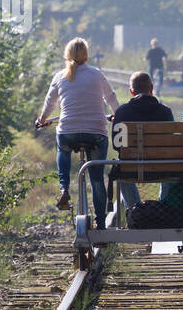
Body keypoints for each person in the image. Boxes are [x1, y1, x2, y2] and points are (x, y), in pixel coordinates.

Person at [36, 38, 118, 225]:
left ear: (67, 55)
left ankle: (64, 188)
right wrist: (117, 115)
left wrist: (42, 120)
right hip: (96, 132)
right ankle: (101, 224)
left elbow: (50, 103)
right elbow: (110, 97)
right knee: (97, 179)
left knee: (62, 147)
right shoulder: (97, 75)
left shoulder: (59, 76)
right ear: (86, 55)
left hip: (68, 131)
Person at [109, 71, 173, 211]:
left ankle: (135, 211)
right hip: (161, 167)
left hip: (131, 167)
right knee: (171, 166)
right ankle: (162, 209)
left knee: (120, 168)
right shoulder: (165, 112)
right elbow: (170, 142)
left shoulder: (122, 112)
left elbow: (116, 145)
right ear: (151, 88)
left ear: (131, 91)